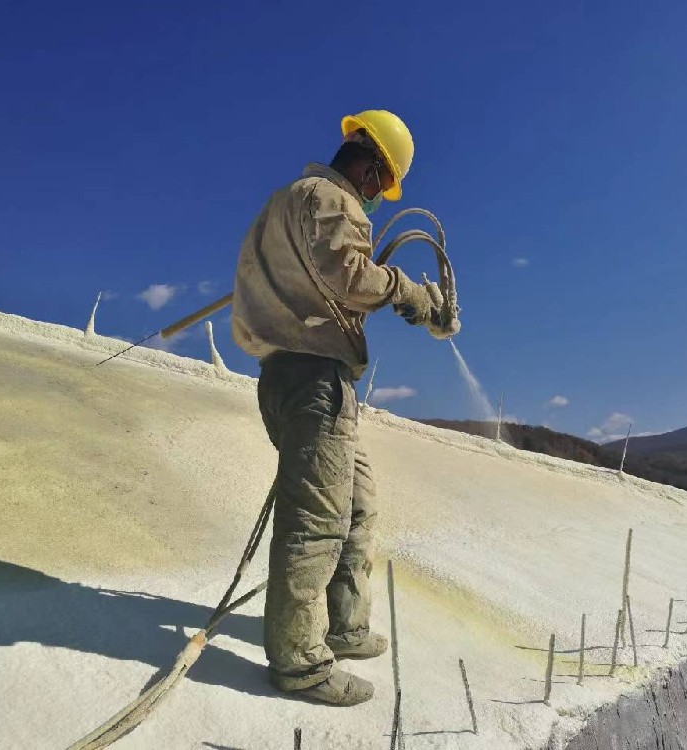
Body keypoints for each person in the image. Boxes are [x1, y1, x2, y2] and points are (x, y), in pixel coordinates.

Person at [231, 110, 448, 706]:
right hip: (311, 377)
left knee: (356, 504)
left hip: (294, 375)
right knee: (318, 519)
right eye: (386, 183)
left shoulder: (284, 205)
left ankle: (342, 625)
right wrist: (409, 293)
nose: (381, 198)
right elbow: (349, 275)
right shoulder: (328, 199)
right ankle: (299, 662)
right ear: (375, 168)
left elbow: (308, 272)